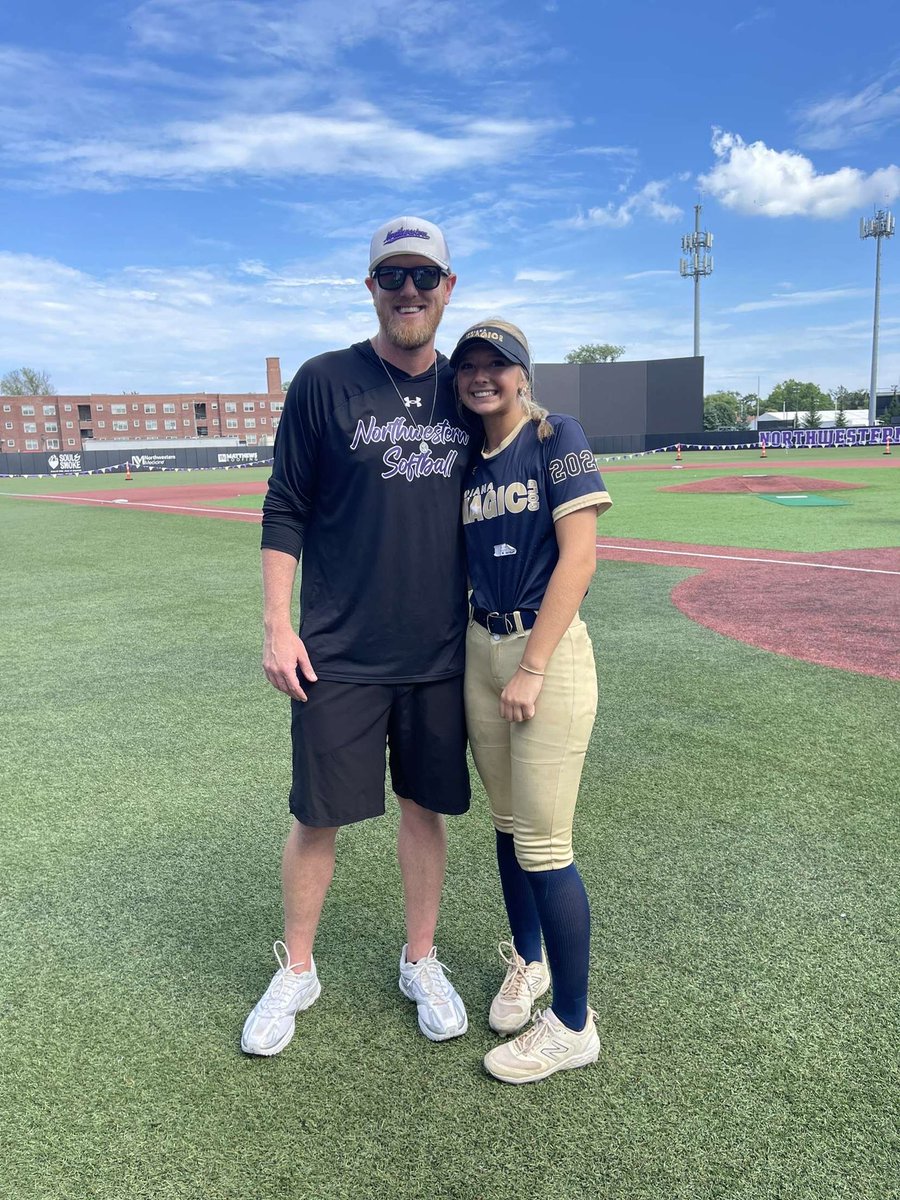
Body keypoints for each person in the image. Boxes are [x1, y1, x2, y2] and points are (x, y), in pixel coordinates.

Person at [241, 217, 475, 1056]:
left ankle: (421, 958)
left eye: (423, 276)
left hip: (441, 653)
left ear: (449, 287)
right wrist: (277, 624)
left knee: (426, 810)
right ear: (369, 286)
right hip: (335, 649)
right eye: (391, 277)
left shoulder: (471, 389)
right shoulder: (323, 381)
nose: (407, 291)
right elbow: (285, 506)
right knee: (316, 816)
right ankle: (298, 968)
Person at [449, 318, 612, 1084]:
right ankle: (529, 963)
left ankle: (574, 1025)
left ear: (522, 373)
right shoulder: (465, 461)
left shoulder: (555, 435)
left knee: (546, 846)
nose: (484, 376)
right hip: (480, 651)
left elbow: (579, 555)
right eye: (470, 366)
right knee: (510, 827)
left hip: (539, 652)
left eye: (498, 365)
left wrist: (535, 666)